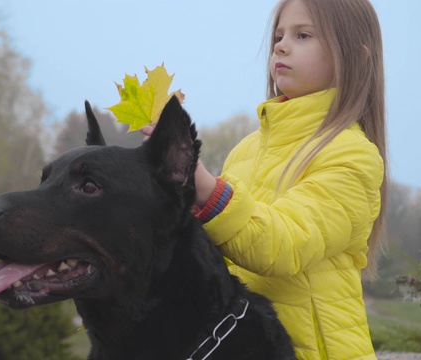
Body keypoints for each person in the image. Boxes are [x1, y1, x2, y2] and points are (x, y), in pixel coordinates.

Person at [143, 0, 387, 358]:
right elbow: (217, 256)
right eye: (279, 36)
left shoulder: (353, 156)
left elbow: (283, 245)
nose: (281, 46)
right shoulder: (246, 150)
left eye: (303, 35)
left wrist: (207, 191)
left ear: (356, 58)